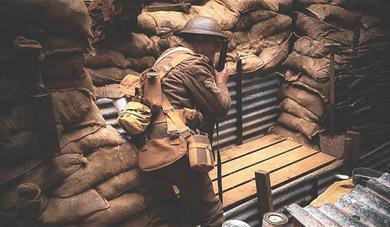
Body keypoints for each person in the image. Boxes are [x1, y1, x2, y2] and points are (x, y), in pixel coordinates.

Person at [139, 16, 231, 227]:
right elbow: (220, 108)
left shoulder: (167, 57)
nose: (216, 49)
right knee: (211, 212)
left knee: (185, 206)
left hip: (157, 141)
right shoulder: (193, 64)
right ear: (199, 40)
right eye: (214, 43)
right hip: (177, 145)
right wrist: (221, 83)